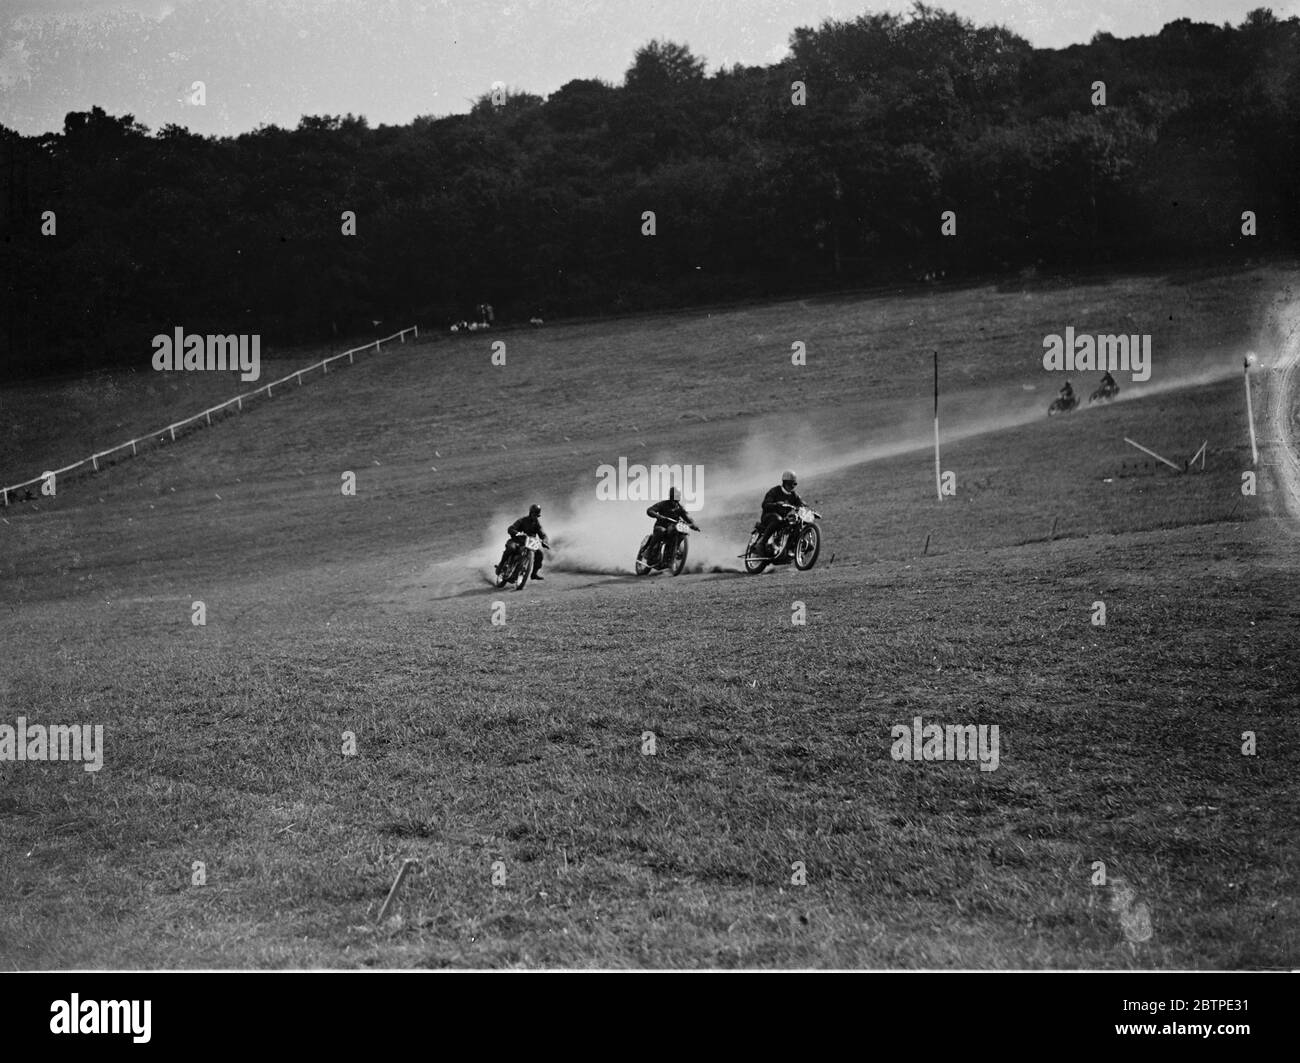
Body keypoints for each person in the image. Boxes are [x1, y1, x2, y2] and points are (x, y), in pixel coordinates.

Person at [639, 487, 699, 564]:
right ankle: (649, 552)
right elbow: (650, 510)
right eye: (673, 500)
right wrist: (659, 516)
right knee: (661, 531)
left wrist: (693, 525)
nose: (675, 502)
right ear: (670, 497)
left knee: (680, 534)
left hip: (673, 528)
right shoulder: (663, 504)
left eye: (676, 500)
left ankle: (673, 553)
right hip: (661, 526)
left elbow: (687, 518)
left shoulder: (680, 508)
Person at [755, 471, 805, 555]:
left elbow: (801, 504)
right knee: (777, 519)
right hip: (768, 517)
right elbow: (765, 505)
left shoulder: (794, 495)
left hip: (783, 519)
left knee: (796, 522)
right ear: (784, 482)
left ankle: (794, 546)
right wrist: (777, 504)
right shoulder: (774, 491)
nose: (792, 486)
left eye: (794, 484)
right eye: (790, 484)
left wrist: (805, 508)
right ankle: (761, 544)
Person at [496, 503, 550, 580]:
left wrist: (545, 541)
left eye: (537, 516)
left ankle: (534, 574)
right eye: (534, 515)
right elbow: (510, 528)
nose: (535, 517)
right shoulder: (522, 520)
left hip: (529, 543)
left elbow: (543, 535)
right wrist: (517, 533)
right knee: (511, 548)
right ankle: (501, 565)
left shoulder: (537, 524)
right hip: (517, 541)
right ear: (530, 513)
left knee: (540, 554)